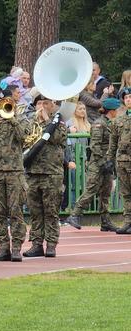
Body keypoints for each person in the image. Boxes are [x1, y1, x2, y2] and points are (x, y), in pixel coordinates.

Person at [66, 98, 122, 232]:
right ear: (112, 111)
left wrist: (109, 163)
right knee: (91, 190)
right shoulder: (99, 124)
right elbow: (94, 145)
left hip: (107, 164)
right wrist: (103, 163)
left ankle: (105, 221)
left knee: (105, 193)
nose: (118, 112)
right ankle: (74, 215)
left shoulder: (110, 123)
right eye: (117, 110)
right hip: (98, 164)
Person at [23, 96, 67, 258]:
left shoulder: (58, 122)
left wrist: (48, 121)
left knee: (51, 211)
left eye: (45, 103)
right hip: (33, 172)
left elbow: (58, 139)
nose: (42, 106)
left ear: (53, 105)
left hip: (52, 173)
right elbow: (24, 142)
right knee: (35, 212)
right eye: (39, 104)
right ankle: (36, 244)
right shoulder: (30, 123)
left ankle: (51, 244)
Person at [0, 94, 29, 262]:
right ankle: (3, 247)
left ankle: (17, 247)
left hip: (14, 172)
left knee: (16, 211)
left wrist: (12, 119)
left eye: (10, 103)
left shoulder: (21, 120)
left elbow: (24, 137)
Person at [105, 88, 131, 234]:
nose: (128, 100)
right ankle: (128, 222)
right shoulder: (118, 121)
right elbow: (113, 142)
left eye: (130, 97)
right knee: (126, 193)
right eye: (126, 97)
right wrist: (110, 159)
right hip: (122, 162)